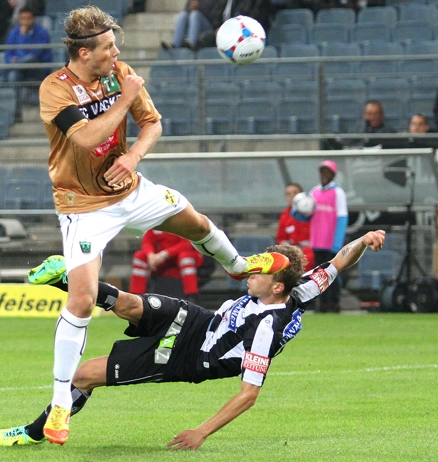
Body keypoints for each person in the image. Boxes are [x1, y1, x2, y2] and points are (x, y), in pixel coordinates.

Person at [33, 5, 289, 446]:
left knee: (197, 223)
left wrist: (132, 157)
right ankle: (60, 405)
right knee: (81, 299)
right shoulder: (55, 90)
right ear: (82, 52)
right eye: (108, 47)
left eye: (115, 45)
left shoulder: (120, 72)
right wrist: (127, 96)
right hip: (84, 205)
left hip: (131, 189)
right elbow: (88, 138)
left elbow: (152, 124)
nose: (117, 52)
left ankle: (236, 264)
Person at [0, 229, 387, 449]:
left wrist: (201, 432)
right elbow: (336, 263)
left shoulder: (268, 325)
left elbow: (249, 393)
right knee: (127, 304)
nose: (250, 272)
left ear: (277, 287)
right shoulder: (297, 289)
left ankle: (36, 430)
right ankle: (64, 278)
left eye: (259, 271)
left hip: (189, 358)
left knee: (83, 374)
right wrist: (364, 240)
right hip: (197, 320)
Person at [0, 7, 52, 120]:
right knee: (14, 75)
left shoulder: (42, 32)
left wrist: (24, 37)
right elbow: (8, 53)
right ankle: (17, 114)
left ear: (33, 19)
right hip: (20, 69)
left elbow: (36, 53)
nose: (25, 21)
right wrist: (11, 60)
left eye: (28, 18)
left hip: (37, 69)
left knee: (30, 58)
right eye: (23, 18)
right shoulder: (14, 32)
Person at [306, 160, 348, 313]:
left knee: (333, 274)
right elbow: (308, 214)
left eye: (327, 172)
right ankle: (322, 304)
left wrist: (337, 242)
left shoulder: (338, 193)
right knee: (319, 274)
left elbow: (342, 218)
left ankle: (335, 303)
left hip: (331, 242)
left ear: (333, 174)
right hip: (317, 241)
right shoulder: (314, 192)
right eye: (322, 171)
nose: (324, 175)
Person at [130, 229, 204, 300]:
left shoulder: (182, 220)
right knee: (139, 257)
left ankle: (192, 296)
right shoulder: (157, 223)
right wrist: (151, 255)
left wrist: (164, 254)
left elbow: (186, 244)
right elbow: (147, 242)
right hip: (161, 259)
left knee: (185, 257)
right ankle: (136, 298)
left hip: (182, 257)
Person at [276, 183, 314, 272]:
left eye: (295, 193)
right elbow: (281, 239)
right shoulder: (285, 215)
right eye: (288, 194)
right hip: (291, 250)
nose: (292, 196)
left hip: (309, 251)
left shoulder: (311, 213)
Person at [160, 0, 225, 51]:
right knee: (183, 15)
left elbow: (216, 16)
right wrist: (191, 8)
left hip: (209, 26)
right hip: (194, 24)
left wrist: (199, 8)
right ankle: (175, 44)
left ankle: (192, 43)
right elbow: (187, 9)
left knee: (195, 14)